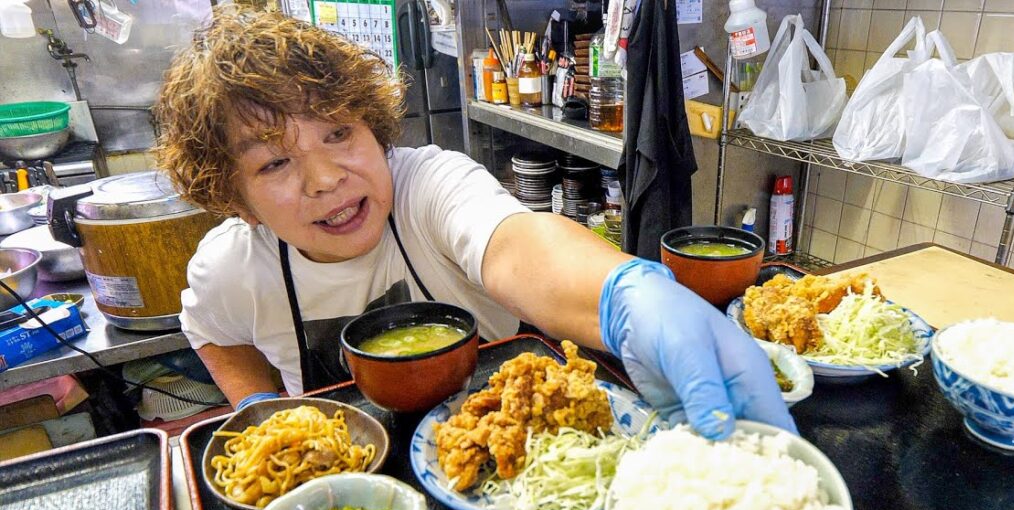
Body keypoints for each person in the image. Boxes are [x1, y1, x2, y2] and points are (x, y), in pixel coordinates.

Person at [153, 7, 794, 440]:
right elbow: (213, 333)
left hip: (509, 449)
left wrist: (627, 294)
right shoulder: (230, 268)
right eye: (275, 163)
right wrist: (261, 412)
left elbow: (519, 247)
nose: (325, 178)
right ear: (234, 198)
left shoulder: (427, 183)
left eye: (340, 133)